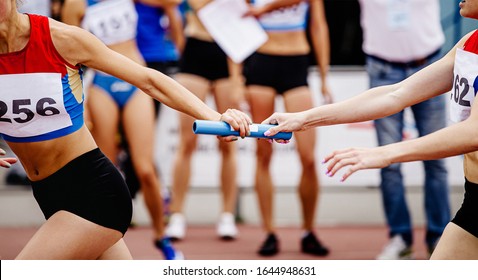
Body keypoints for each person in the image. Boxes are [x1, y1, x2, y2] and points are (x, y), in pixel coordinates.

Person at [0, 0, 250, 260]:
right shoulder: (76, 6)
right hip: (48, 193)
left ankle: (161, 234)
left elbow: (150, 80)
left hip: (93, 193)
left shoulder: (61, 38)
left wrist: (215, 116)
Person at [261, 0, 478, 261]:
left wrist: (386, 153)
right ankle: (401, 239)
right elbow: (396, 93)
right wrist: (304, 118)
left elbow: (473, 132)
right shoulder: (470, 42)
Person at [60, 0, 186, 260]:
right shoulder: (75, 3)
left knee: (145, 169)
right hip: (101, 84)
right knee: (106, 172)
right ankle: (105, 247)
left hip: (135, 79)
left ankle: (162, 237)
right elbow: (65, 58)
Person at [355, 0, 451, 260]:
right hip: (382, 67)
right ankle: (400, 237)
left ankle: (440, 237)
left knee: (437, 157)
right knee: (388, 163)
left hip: (429, 65)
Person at [243, 0, 332, 256]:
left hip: (296, 63)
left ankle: (308, 230)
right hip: (261, 62)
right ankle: (269, 231)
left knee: (307, 157)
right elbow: (236, 24)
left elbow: (318, 26)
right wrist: (237, 76)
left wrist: (324, 77)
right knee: (263, 155)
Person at [165, 0, 246, 241]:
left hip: (228, 54)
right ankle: (177, 215)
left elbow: (239, 19)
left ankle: (227, 215)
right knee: (187, 142)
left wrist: (236, 79)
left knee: (229, 143)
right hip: (196, 50)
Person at [120, 0, 185, 207]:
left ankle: (137, 196)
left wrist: (180, 51)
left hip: (153, 60)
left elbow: (173, 4)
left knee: (140, 139)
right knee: (122, 140)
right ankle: (133, 196)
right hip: (116, 62)